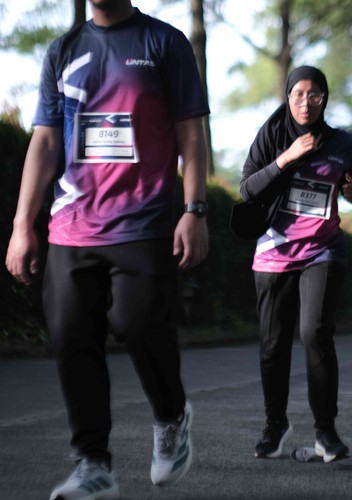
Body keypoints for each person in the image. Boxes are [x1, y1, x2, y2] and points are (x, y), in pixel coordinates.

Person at [5, 1, 209, 498]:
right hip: (71, 223)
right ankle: (93, 463)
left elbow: (191, 130)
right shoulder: (64, 51)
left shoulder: (164, 42)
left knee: (137, 325)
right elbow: (45, 141)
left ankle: (171, 415)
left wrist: (195, 209)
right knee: (72, 338)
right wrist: (22, 223)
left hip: (143, 220)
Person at [240, 66, 352, 463]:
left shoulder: (342, 142)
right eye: (298, 94)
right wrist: (288, 157)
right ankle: (274, 426)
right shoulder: (272, 135)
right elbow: (247, 189)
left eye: (314, 95)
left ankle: (326, 431)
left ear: (324, 99)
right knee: (273, 344)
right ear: (288, 96)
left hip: (322, 250)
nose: (306, 102)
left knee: (315, 333)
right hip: (273, 251)